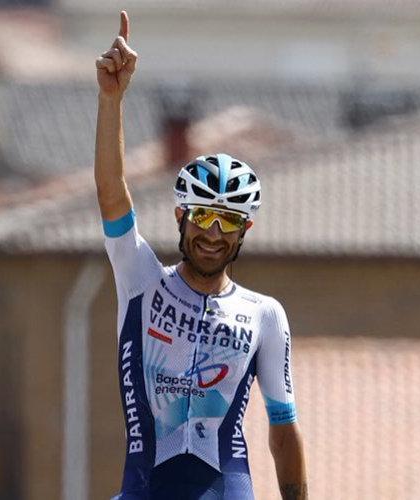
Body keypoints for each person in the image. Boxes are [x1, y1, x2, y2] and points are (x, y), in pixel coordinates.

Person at [94, 11, 308, 500]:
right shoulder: (142, 281)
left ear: (245, 230)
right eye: (203, 218)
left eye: (228, 221)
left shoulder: (264, 315)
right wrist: (111, 101)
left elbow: (283, 430)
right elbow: (111, 191)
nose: (213, 233)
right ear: (179, 218)